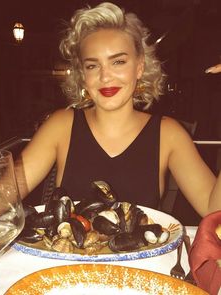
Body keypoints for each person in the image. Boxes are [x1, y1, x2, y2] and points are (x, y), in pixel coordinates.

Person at [16, 2, 221, 218]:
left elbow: (213, 210)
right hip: (69, 252)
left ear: (139, 66)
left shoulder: (169, 133)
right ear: (83, 76)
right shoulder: (61, 125)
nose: (105, 77)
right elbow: (3, 195)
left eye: (118, 62)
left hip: (143, 252)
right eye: (92, 66)